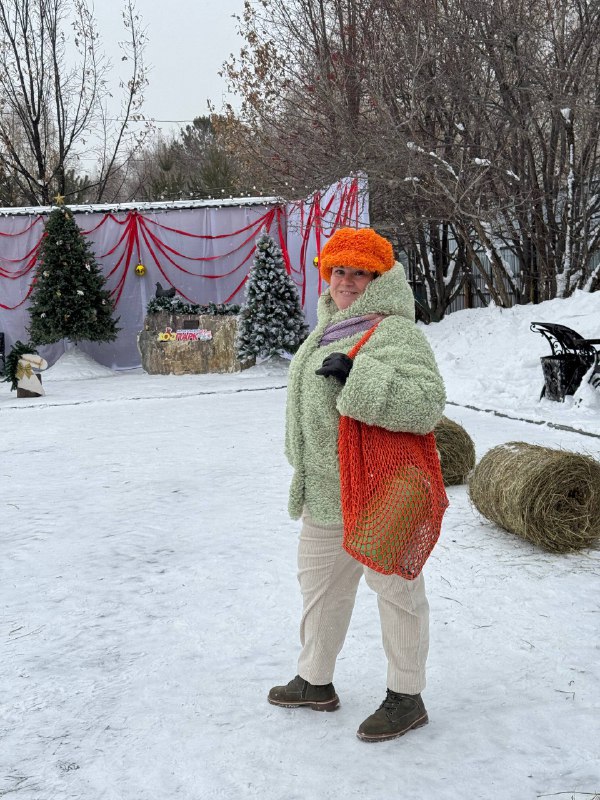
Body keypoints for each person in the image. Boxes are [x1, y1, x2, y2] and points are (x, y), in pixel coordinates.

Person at [268, 227, 446, 742]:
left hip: (384, 488)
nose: (346, 280)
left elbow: (426, 404)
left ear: (378, 277)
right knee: (320, 590)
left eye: (358, 272)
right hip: (326, 488)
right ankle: (314, 681)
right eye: (338, 270)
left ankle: (406, 696)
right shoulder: (327, 325)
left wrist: (358, 378)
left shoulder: (395, 331)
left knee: (397, 591)